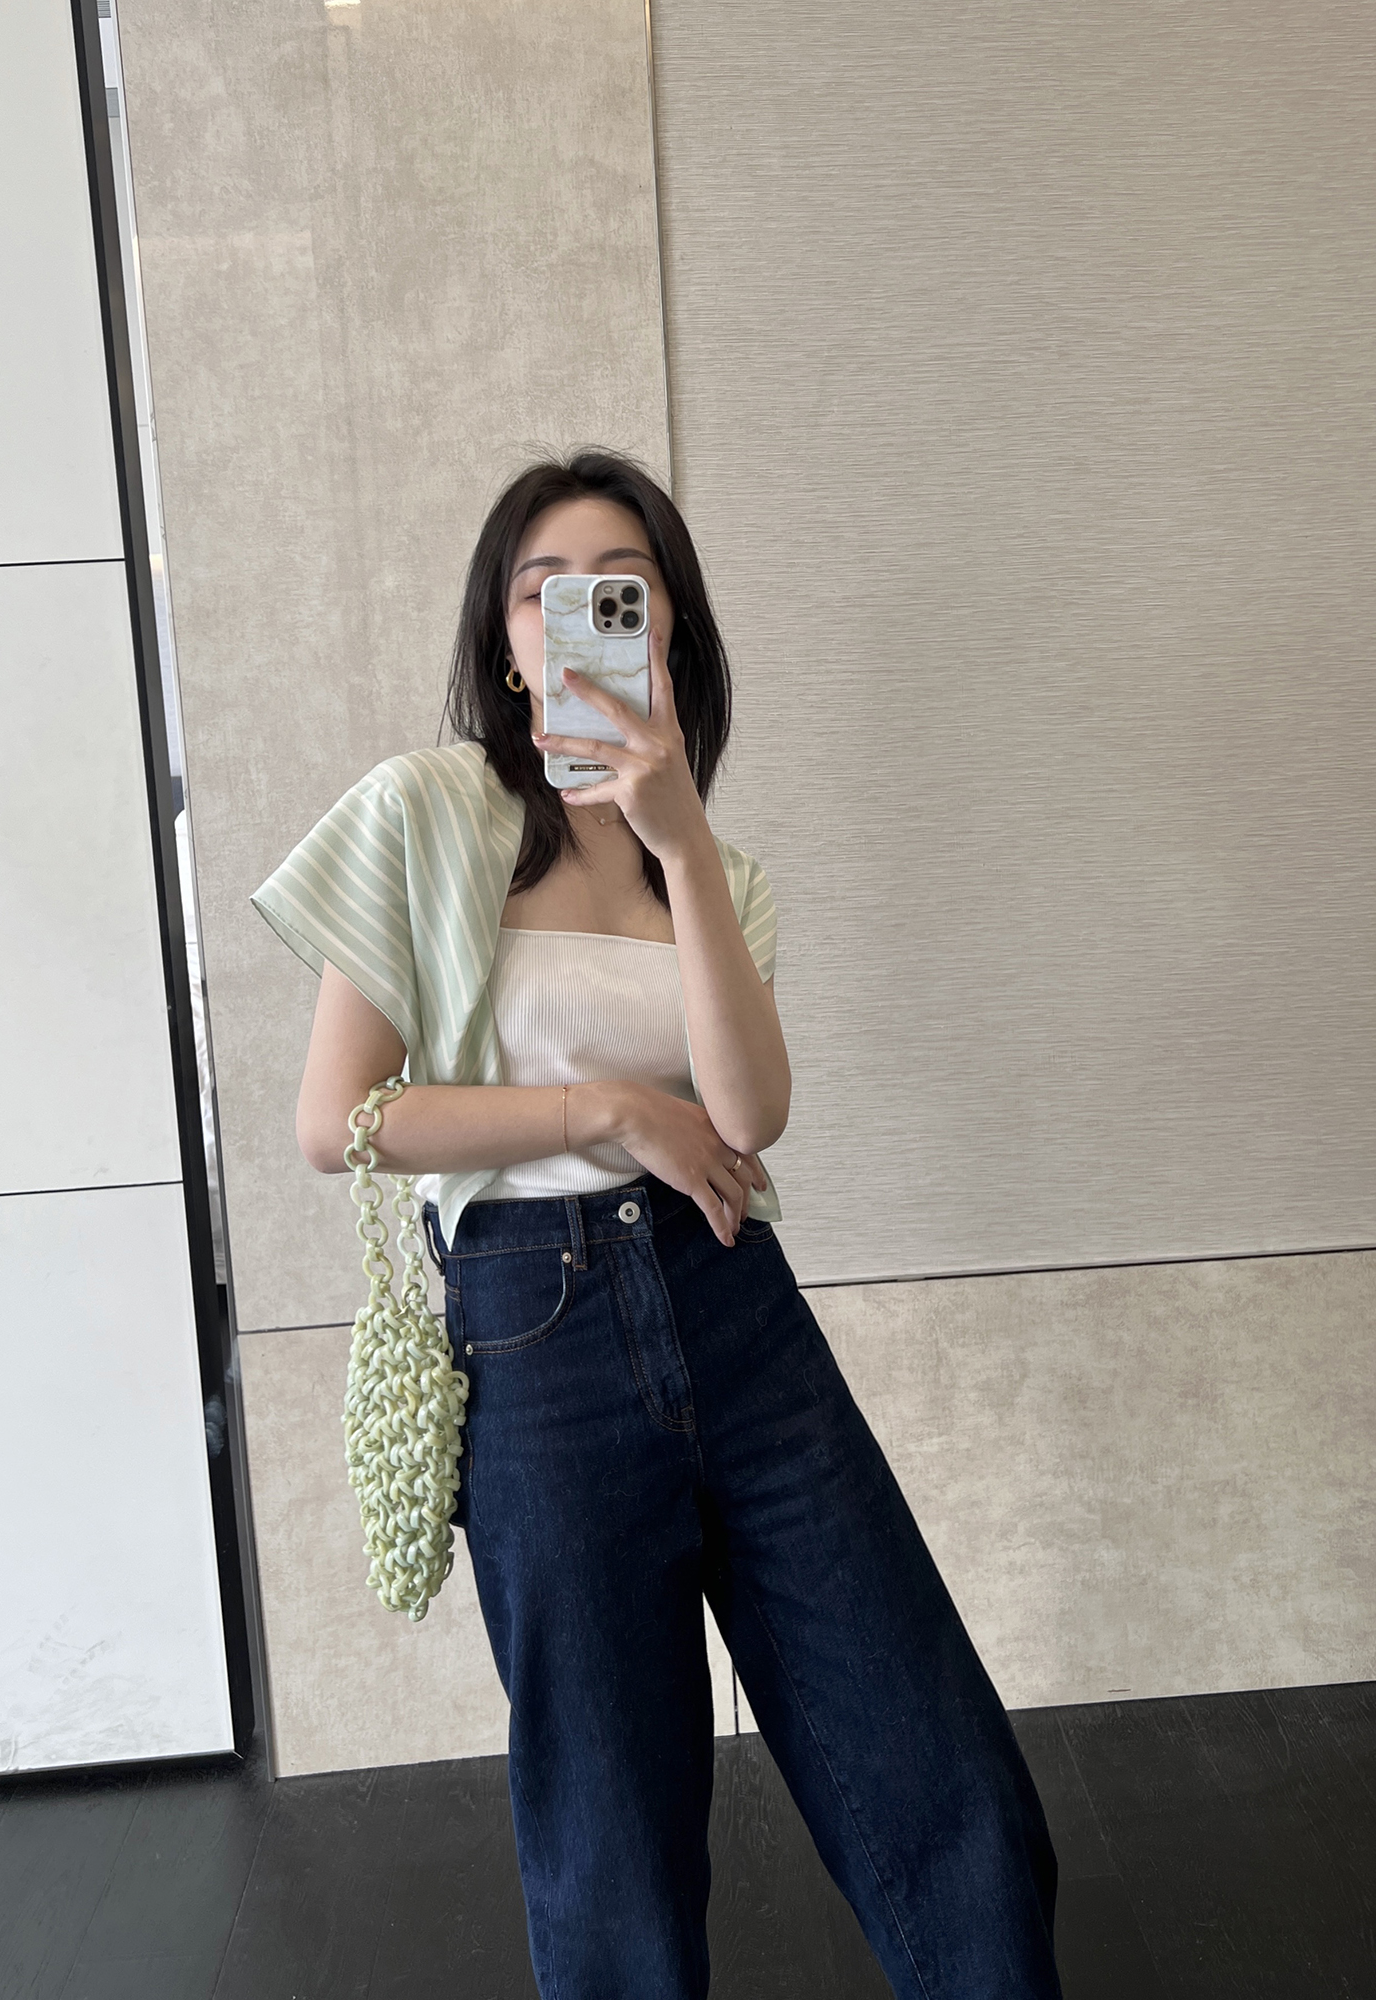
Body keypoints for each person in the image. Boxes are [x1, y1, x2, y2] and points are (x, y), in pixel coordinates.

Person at [252, 449, 1062, 2000]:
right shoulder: (422, 814)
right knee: (613, 1835)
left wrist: (677, 836)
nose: (578, 615)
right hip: (534, 1336)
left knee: (934, 1761)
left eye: (617, 589)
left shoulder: (720, 872)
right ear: (506, 642)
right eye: (541, 590)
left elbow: (751, 1113)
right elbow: (337, 1119)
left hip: (735, 1303)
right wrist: (608, 1111)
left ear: (668, 625)